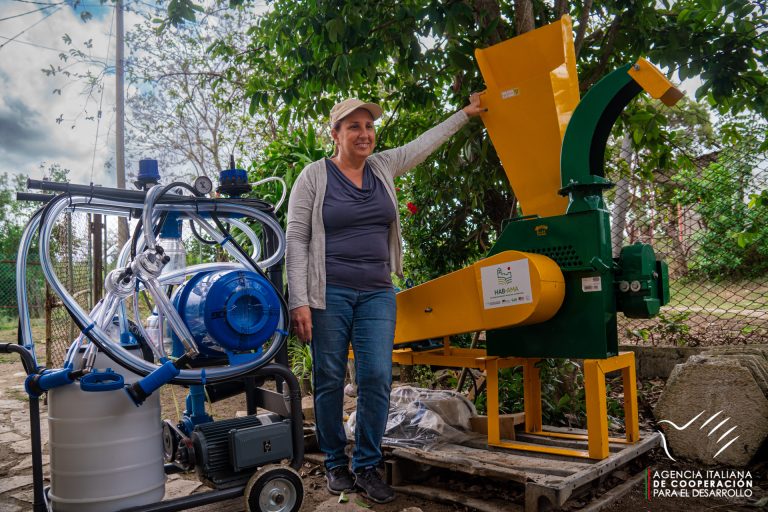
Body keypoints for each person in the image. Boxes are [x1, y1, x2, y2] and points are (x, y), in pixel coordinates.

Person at [286, 94, 484, 503]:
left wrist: (465, 115)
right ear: (335, 134)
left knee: (376, 377)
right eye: (354, 126)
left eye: (369, 126)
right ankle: (336, 464)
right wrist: (298, 300)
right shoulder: (314, 176)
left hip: (377, 290)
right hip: (329, 292)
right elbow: (296, 239)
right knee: (329, 379)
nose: (364, 134)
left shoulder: (383, 167)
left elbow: (422, 145)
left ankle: (368, 465)